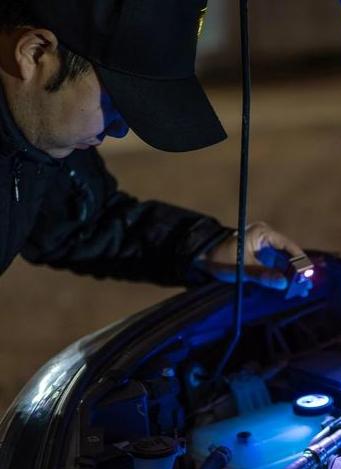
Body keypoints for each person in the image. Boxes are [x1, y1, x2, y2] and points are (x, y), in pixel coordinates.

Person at [0, 0, 307, 289]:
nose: (120, 130)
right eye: (114, 103)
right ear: (34, 52)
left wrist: (204, 248)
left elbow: (81, 220)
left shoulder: (38, 133)